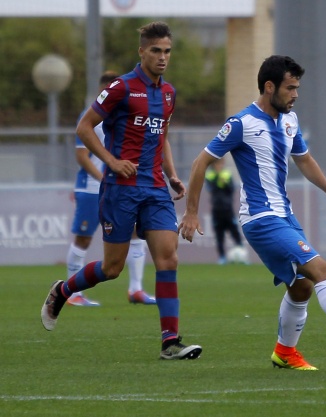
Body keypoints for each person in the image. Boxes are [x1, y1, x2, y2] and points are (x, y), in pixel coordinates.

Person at [178, 55, 326, 370]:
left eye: (297, 88)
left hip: (284, 215)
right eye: (290, 88)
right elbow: (200, 162)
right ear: (270, 87)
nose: (295, 95)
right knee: (323, 270)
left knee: (302, 286)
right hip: (261, 218)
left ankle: (285, 353)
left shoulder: (290, 121)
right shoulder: (241, 123)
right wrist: (191, 212)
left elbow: (305, 160)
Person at [41, 21, 202, 360]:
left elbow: (161, 136)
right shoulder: (121, 88)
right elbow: (84, 128)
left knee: (168, 258)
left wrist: (172, 174)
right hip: (121, 188)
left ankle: (170, 342)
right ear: (142, 51)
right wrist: (112, 162)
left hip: (155, 187)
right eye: (156, 51)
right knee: (112, 268)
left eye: (167, 51)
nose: (162, 57)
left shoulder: (168, 93)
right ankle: (63, 290)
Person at [65, 71, 156, 307]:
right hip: (91, 188)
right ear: (102, 90)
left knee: (135, 232)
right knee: (83, 238)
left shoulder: (125, 115)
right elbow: (81, 156)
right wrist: (104, 176)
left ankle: (136, 289)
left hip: (121, 188)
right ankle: (72, 293)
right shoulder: (91, 116)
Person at [205, 157, 248, 265]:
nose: (219, 166)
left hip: (228, 209)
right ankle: (222, 257)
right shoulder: (210, 175)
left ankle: (242, 255)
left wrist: (225, 183)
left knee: (235, 233)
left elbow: (231, 189)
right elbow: (210, 188)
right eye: (217, 164)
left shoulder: (227, 174)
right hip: (217, 209)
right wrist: (219, 181)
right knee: (219, 235)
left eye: (220, 163)